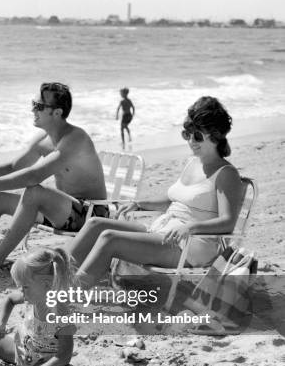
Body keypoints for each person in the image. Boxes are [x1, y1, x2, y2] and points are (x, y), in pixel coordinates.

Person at [0, 82, 108, 279]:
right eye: (33, 103)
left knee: (34, 191)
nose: (33, 109)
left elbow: (34, 176)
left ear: (57, 113)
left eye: (39, 106)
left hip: (91, 214)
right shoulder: (44, 138)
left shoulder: (76, 139)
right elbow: (13, 167)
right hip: (62, 211)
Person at [67, 96, 243, 288]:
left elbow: (228, 222)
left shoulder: (226, 174)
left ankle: (67, 295)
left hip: (190, 245)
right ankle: (54, 275)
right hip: (164, 231)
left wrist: (190, 227)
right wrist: (140, 203)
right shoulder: (193, 163)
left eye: (198, 135)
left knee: (110, 239)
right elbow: (171, 200)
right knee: (95, 224)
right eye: (187, 133)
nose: (191, 141)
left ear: (215, 135)